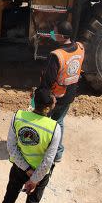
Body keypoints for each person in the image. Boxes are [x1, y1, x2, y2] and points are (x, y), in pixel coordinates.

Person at [40, 21, 83, 162]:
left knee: (44, 122)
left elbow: (48, 80)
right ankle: (58, 153)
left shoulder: (56, 55)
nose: (52, 32)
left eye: (54, 31)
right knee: (59, 122)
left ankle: (43, 151)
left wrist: (40, 97)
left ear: (62, 36)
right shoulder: (80, 47)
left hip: (54, 97)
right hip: (69, 95)